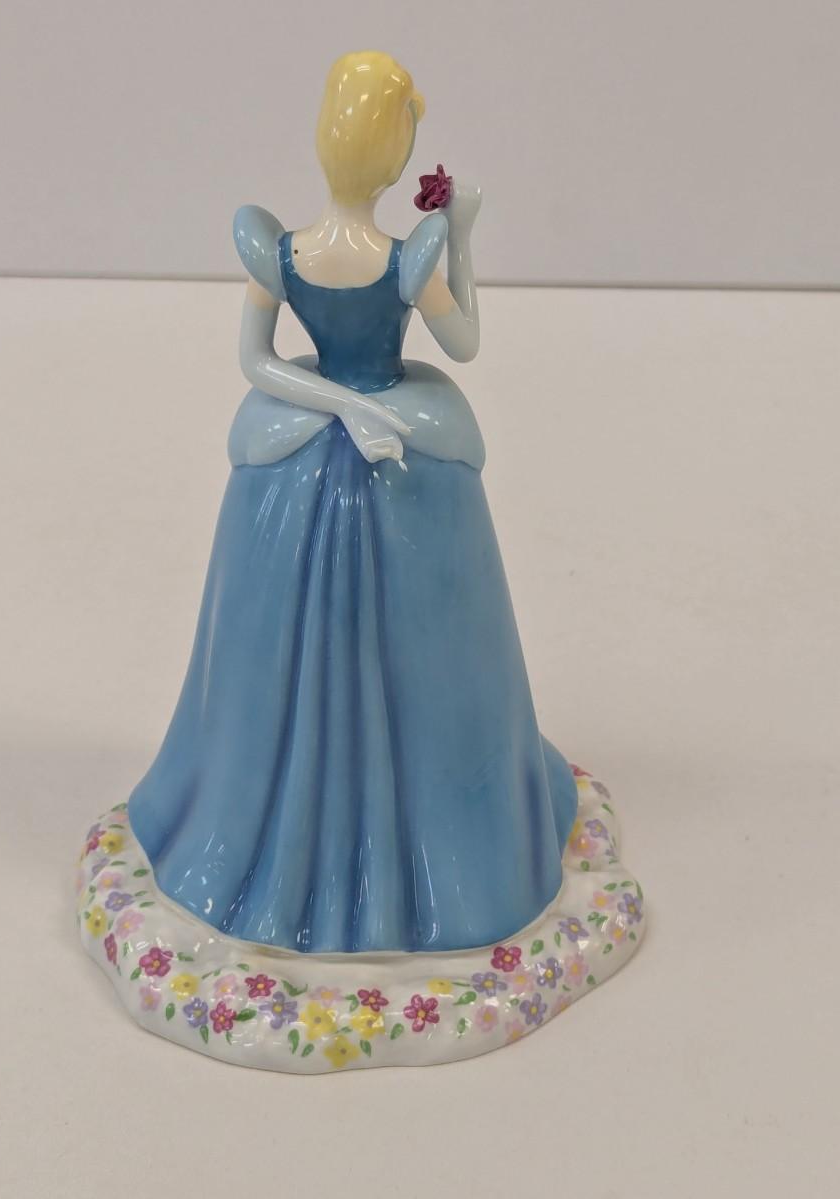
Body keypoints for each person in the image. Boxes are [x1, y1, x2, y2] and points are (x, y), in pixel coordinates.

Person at [128, 50, 577, 954]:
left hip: (294, 458)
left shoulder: (284, 251)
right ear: (395, 153)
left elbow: (258, 364)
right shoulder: (404, 260)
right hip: (392, 447)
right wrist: (459, 239)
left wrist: (333, 400)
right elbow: (464, 342)